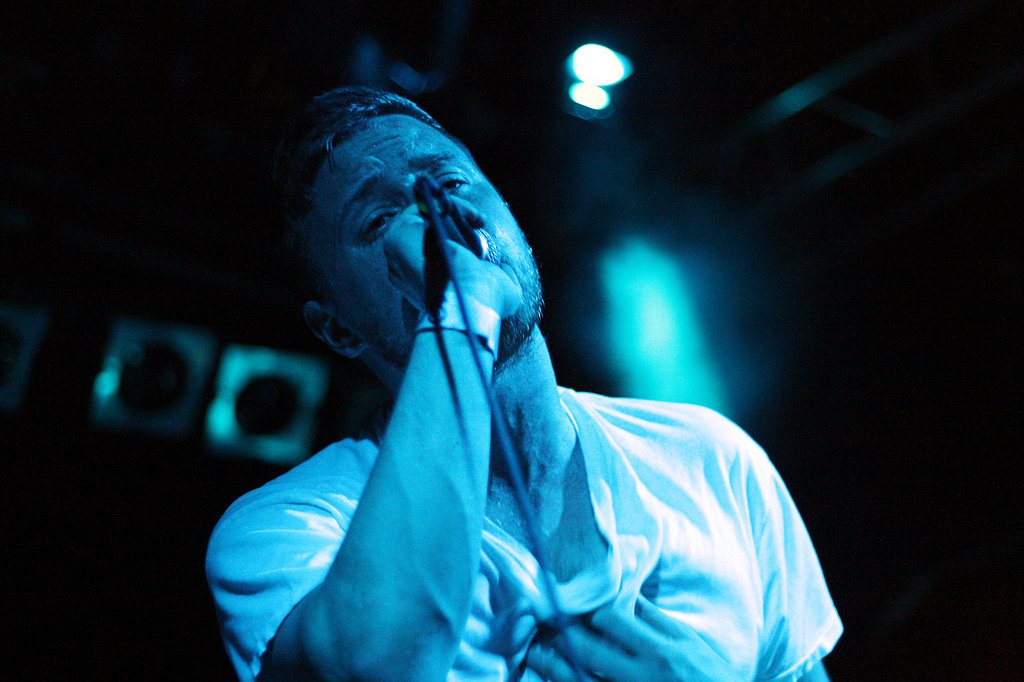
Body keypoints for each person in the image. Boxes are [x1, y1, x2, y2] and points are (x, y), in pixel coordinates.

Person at [206, 86, 842, 681]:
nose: (437, 217)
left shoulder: (710, 458)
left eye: (450, 182)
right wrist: (459, 311)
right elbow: (379, 662)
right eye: (378, 220)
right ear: (338, 329)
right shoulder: (288, 526)